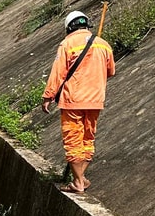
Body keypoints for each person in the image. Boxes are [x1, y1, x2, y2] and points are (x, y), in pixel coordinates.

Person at [41, 10, 115, 193]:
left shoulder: (67, 44)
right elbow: (111, 71)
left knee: (73, 139)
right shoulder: (104, 45)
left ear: (69, 27)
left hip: (73, 100)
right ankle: (81, 178)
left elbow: (58, 72)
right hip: (95, 100)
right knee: (87, 139)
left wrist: (48, 96)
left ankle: (79, 183)